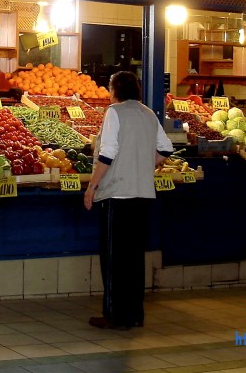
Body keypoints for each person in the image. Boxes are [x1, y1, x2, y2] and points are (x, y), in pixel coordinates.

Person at [83, 71, 174, 330]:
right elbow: (166, 148)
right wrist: (145, 164)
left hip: (117, 194)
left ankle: (114, 315)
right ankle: (135, 314)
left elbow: (107, 153)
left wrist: (92, 186)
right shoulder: (147, 113)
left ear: (114, 90)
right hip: (143, 195)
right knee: (134, 259)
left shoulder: (115, 112)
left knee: (114, 260)